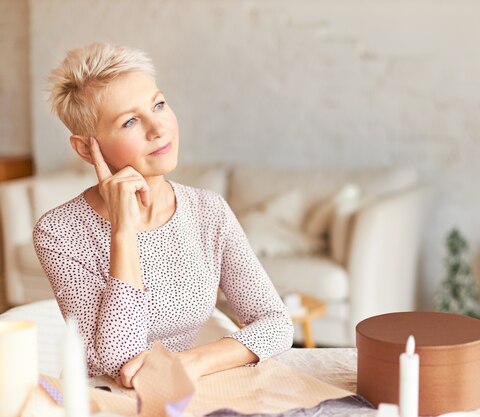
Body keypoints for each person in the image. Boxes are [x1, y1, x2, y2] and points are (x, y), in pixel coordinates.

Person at [33, 43, 294, 387]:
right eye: (130, 121)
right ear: (86, 148)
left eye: (158, 104)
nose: (158, 129)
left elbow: (277, 323)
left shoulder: (208, 210)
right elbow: (118, 363)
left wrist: (191, 361)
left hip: (183, 390)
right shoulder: (60, 232)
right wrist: (123, 231)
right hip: (104, 403)